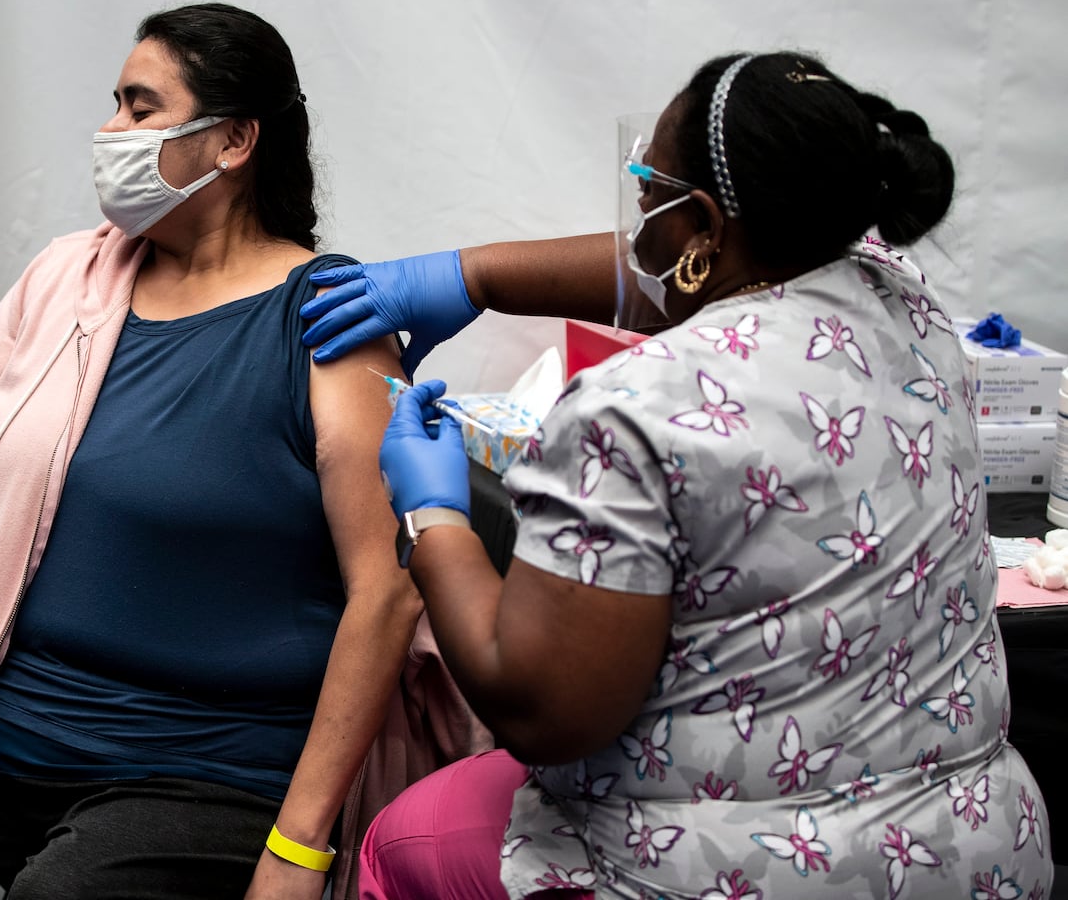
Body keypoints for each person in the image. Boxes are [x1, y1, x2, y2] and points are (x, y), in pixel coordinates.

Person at [301, 51, 1054, 898]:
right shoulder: (901, 296)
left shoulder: (634, 409)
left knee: (406, 839)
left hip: (739, 876)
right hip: (978, 848)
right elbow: (664, 272)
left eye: (644, 187)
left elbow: (539, 711)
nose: (635, 217)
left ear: (701, 224)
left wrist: (433, 516)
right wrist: (473, 276)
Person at [0, 3, 421, 900]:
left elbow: (385, 595)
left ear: (234, 140)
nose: (109, 131)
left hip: (205, 766)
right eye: (114, 104)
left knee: (66, 896)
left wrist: (300, 848)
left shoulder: (326, 320)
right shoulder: (66, 277)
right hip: (5, 736)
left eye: (138, 107)